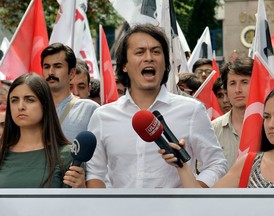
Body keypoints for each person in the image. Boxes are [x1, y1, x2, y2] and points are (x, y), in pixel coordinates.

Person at [86, 23, 227, 188]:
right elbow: (95, 172)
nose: (149, 58)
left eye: (156, 52)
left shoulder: (192, 110)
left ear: (165, 63)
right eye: (140, 52)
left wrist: (195, 193)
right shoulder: (103, 117)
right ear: (124, 65)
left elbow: (217, 164)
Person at [160, 86, 274, 188]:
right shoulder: (248, 164)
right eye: (266, 117)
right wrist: (181, 165)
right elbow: (204, 202)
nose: (271, 124)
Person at [0, 73, 85, 188]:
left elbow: (76, 205)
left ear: (45, 105)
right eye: (14, 100)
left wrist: (81, 190)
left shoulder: (68, 155)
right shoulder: (2, 153)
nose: (20, 106)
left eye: (29, 100)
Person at [41, 43, 99, 142]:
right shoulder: (32, 107)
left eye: (57, 66)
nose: (51, 72)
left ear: (71, 73)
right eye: (46, 67)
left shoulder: (90, 110)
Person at [212, 55, 253, 169]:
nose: (238, 90)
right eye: (232, 83)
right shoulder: (213, 129)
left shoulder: (271, 127)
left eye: (244, 82)